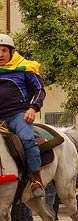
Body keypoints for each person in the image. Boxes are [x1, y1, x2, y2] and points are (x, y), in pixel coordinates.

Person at [0, 34, 46, 198]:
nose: (0, 54)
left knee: (27, 139)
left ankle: (35, 178)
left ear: (11, 52)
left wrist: (32, 108)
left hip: (17, 115)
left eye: (4, 50)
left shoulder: (25, 68)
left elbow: (39, 90)